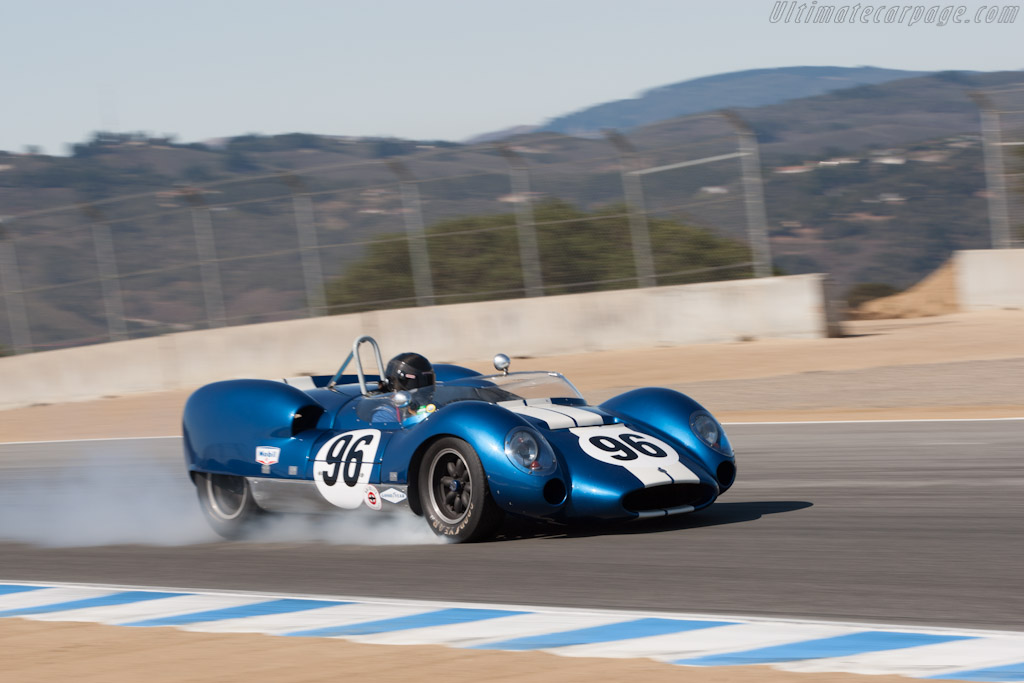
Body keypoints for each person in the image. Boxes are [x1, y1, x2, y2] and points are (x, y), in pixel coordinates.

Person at [370, 352, 437, 425]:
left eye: (428, 380)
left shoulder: (433, 407)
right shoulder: (386, 414)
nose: (425, 388)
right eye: (419, 382)